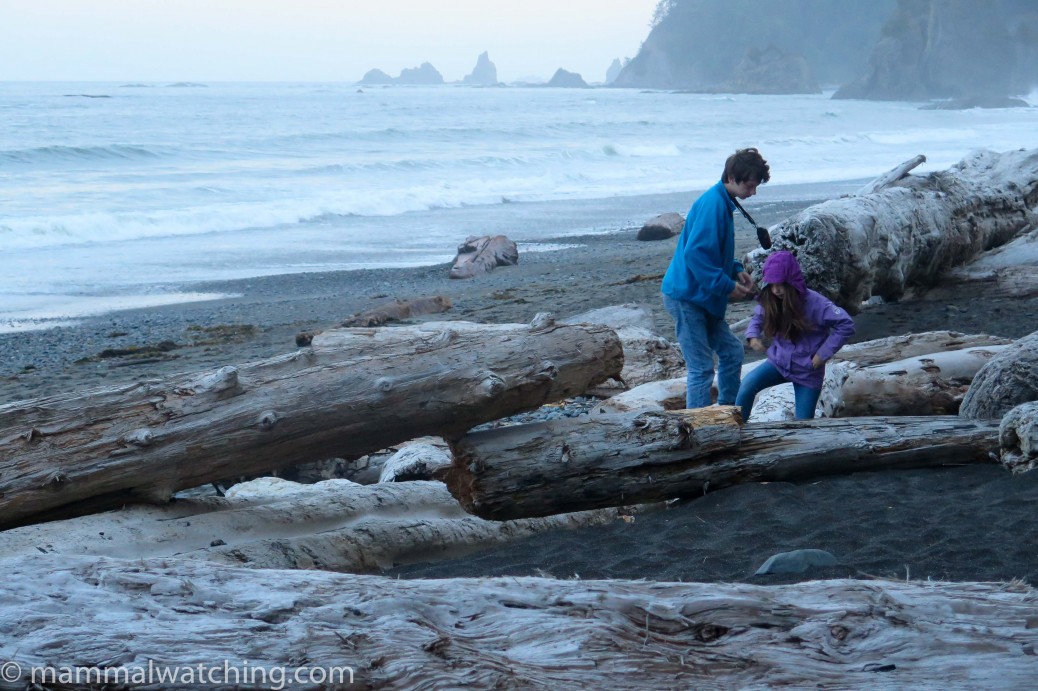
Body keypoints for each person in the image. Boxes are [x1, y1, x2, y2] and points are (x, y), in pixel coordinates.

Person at [662, 147, 770, 409]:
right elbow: (696, 255)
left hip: (703, 296)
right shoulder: (713, 204)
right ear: (732, 177)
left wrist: (735, 270)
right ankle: (697, 428)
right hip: (687, 297)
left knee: (732, 352)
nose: (753, 192)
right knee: (700, 368)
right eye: (750, 186)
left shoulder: (723, 201)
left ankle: (727, 412)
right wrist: (726, 286)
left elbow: (714, 251)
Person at [735, 250, 855, 422]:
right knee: (747, 384)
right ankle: (737, 429)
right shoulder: (771, 298)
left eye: (781, 284)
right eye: (772, 284)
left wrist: (822, 355)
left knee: (803, 425)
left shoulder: (816, 303)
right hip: (778, 362)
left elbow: (846, 324)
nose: (776, 290)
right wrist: (753, 335)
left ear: (792, 281)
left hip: (808, 372)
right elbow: (758, 317)